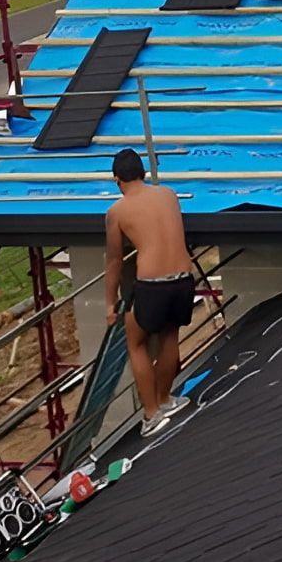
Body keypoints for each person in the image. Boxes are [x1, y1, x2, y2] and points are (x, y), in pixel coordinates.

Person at [104, 148, 195, 437]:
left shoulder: (117, 211)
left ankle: (151, 413)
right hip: (183, 280)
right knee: (169, 334)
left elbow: (115, 261)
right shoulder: (168, 194)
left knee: (136, 342)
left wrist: (110, 303)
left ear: (117, 179)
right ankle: (167, 400)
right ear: (143, 172)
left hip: (153, 285)